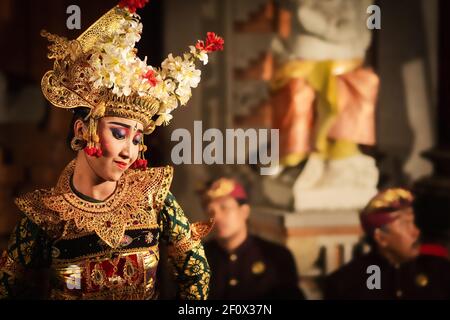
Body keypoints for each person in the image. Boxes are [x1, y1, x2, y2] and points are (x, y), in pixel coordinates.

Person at [0, 0, 224, 300]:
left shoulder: (153, 196)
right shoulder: (46, 214)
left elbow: (196, 272)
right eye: (119, 133)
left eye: (136, 139)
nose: (129, 152)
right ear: (82, 131)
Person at [324, 188, 450, 300]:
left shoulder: (439, 272)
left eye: (412, 223)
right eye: (404, 224)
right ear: (381, 238)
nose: (416, 232)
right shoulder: (347, 283)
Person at [201, 178, 305, 300]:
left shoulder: (276, 256)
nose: (216, 217)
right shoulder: (197, 258)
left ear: (244, 211)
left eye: (224, 208)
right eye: (210, 211)